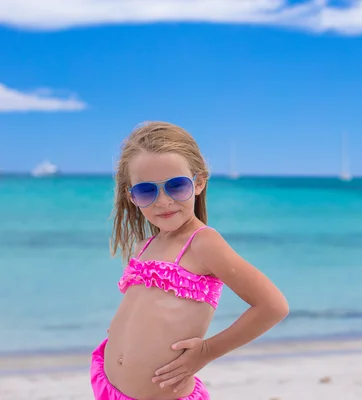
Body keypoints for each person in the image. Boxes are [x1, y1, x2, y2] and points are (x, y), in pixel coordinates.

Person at [90, 121, 289, 400]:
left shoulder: (203, 243)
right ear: (132, 196)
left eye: (176, 186)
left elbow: (273, 306)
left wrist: (206, 352)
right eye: (147, 191)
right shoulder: (144, 246)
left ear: (198, 183)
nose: (163, 201)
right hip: (108, 387)